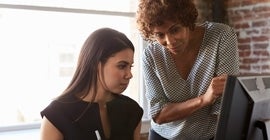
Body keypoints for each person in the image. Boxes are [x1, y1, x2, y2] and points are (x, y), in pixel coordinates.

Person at [136, 0, 240, 139]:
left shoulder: (221, 36)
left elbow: (224, 104)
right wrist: (203, 100)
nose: (170, 41)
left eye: (175, 30)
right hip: (163, 136)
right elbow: (159, 114)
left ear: (188, 21)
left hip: (208, 136)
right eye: (160, 35)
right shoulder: (151, 55)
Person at [40, 28, 143, 140]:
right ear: (95, 64)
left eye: (130, 66)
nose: (129, 75)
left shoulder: (132, 110)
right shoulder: (57, 114)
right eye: (122, 66)